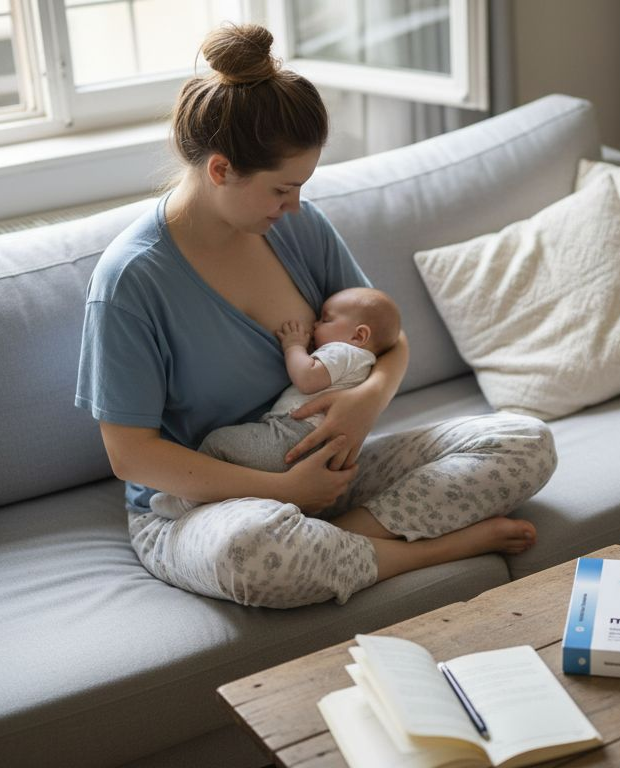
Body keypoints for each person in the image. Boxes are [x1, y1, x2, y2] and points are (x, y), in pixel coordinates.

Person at [75, 23, 557, 609]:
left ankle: (334, 541)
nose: (295, 205)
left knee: (524, 442)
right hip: (204, 508)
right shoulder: (132, 281)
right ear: (221, 170)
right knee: (253, 553)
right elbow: (132, 455)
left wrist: (364, 404)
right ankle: (424, 551)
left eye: (301, 186)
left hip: (333, 470)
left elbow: (389, 340)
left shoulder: (296, 228)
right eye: (282, 189)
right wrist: (282, 490)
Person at [148, 286, 401, 520]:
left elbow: (308, 378)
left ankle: (186, 500)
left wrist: (294, 347)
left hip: (292, 436)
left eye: (326, 319)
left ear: (359, 335)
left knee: (217, 444)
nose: (315, 324)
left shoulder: (344, 352)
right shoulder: (365, 363)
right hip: (315, 448)